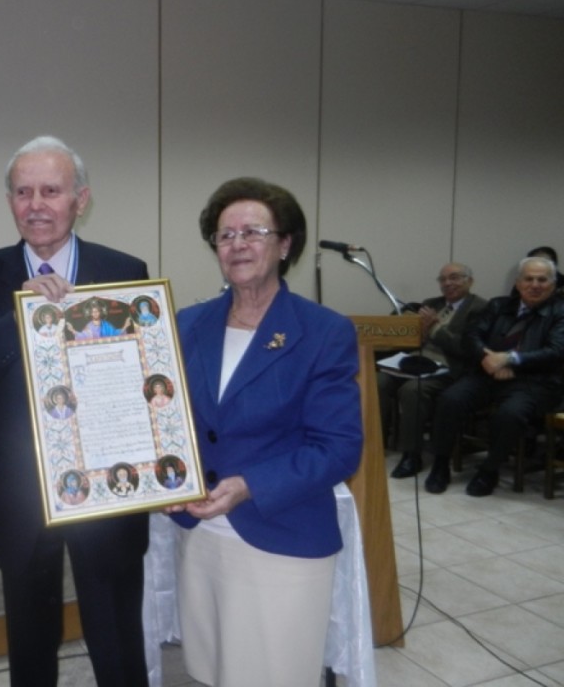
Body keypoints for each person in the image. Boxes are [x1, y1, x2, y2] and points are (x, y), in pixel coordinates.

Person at [0, 135, 150, 687]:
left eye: (51, 191)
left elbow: (146, 380)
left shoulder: (125, 271)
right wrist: (19, 318)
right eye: (23, 192)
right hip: (20, 492)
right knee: (30, 639)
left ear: (80, 199)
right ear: (10, 200)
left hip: (107, 486)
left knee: (115, 634)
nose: (35, 205)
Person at [166, 177, 363, 687]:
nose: (237, 245)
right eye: (225, 235)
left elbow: (339, 448)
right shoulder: (188, 323)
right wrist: (164, 478)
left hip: (281, 534)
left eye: (253, 232)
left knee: (274, 673)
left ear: (285, 244)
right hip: (200, 532)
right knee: (212, 668)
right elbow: (166, 418)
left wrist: (249, 484)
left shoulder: (323, 331)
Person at [424, 256, 564, 497]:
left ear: (552, 285)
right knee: (450, 399)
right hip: (487, 373)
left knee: (510, 414)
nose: (535, 285)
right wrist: (488, 358)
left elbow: (556, 351)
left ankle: (489, 470)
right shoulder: (499, 305)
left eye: (542, 280)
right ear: (518, 283)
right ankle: (440, 465)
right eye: (529, 279)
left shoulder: (560, 311)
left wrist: (510, 359)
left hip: (534, 382)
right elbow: (471, 336)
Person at [378, 263, 487, 478]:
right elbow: (413, 339)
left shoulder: (480, 308)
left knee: (412, 390)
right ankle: (375, 442)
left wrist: (435, 328)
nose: (448, 283)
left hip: (450, 368)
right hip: (417, 362)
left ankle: (412, 455)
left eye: (454, 278)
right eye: (443, 279)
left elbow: (466, 348)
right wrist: (412, 327)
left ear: (469, 281)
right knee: (377, 381)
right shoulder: (431, 303)